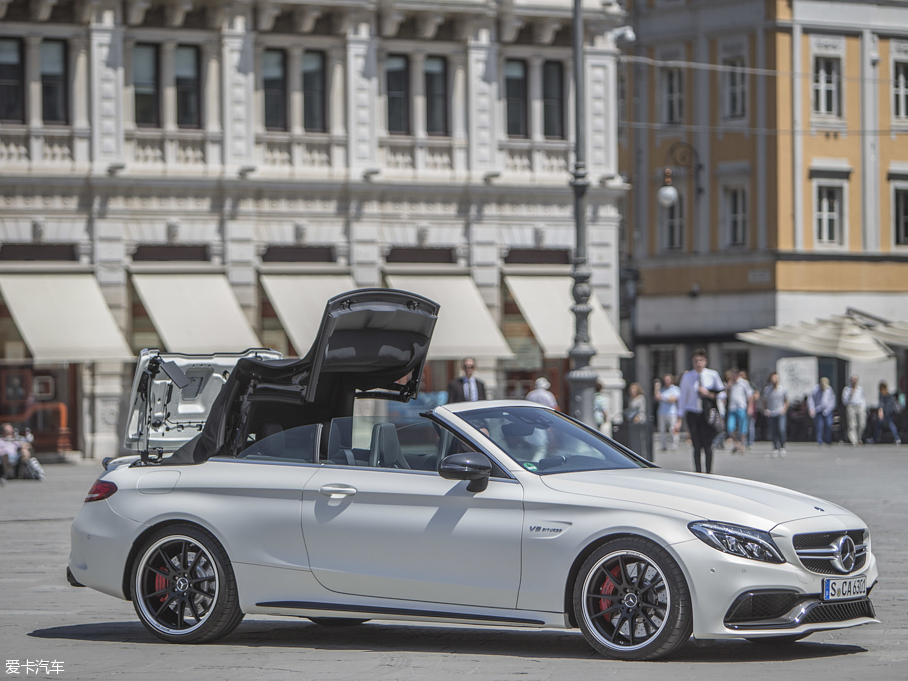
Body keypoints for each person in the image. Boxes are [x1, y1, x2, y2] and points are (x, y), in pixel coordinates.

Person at [678, 348, 724, 474]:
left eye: (700, 360)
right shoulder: (687, 377)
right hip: (693, 413)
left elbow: (722, 394)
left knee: (708, 445)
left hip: (707, 414)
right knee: (696, 445)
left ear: (705, 361)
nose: (698, 363)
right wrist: (680, 417)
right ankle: (698, 472)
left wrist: (708, 393)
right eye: (695, 361)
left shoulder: (712, 375)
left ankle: (709, 471)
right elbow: (682, 397)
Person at [726, 368, 754, 454]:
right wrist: (728, 387)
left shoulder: (744, 383)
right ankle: (736, 442)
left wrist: (750, 407)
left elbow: (750, 395)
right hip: (732, 407)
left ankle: (742, 444)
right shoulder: (731, 384)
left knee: (743, 427)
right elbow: (727, 396)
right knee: (730, 427)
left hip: (741, 407)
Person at [762, 373, 789, 457]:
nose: (774, 380)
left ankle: (782, 446)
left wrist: (784, 409)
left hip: (780, 412)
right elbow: (764, 400)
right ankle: (775, 447)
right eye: (773, 378)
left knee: (781, 429)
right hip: (771, 412)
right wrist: (766, 409)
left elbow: (787, 400)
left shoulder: (782, 389)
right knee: (773, 431)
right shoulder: (767, 389)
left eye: (775, 378)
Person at [654, 374, 680, 451]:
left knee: (672, 429)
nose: (666, 381)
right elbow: (656, 397)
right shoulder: (662, 390)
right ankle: (663, 445)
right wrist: (656, 387)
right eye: (665, 380)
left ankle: (674, 444)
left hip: (672, 412)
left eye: (668, 380)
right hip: (662, 412)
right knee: (662, 430)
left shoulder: (675, 389)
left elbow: (672, 400)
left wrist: (662, 397)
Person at [808, 377, 836, 445]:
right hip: (818, 409)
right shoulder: (815, 389)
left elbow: (832, 401)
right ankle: (819, 440)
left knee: (829, 424)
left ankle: (828, 439)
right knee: (819, 425)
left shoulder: (829, 390)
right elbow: (811, 399)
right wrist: (811, 409)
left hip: (827, 410)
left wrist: (829, 409)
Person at [624, 382, 648, 458]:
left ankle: (643, 453)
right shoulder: (630, 398)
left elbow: (642, 410)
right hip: (632, 419)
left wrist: (638, 417)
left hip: (639, 418)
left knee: (641, 437)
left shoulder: (640, 398)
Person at [842, 374, 867, 446]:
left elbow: (862, 398)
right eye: (853, 380)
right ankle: (854, 440)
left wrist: (864, 407)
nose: (854, 381)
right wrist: (851, 393)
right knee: (852, 424)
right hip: (851, 406)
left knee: (862, 423)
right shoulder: (847, 389)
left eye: (856, 380)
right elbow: (845, 401)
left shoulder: (860, 389)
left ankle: (859, 437)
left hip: (860, 406)